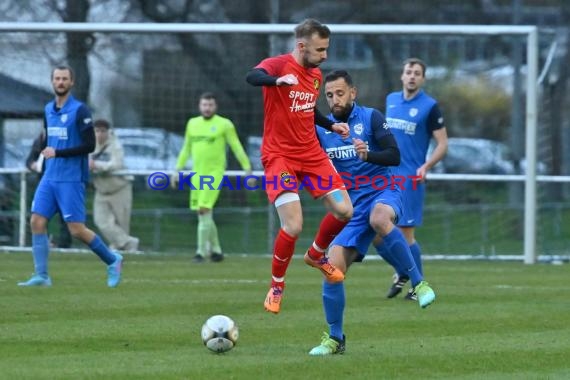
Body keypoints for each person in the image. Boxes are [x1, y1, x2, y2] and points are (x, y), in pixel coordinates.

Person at [309, 70, 436, 355]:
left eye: (340, 93)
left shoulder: (372, 118)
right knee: (332, 269)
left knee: (379, 218)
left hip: (384, 191)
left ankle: (419, 283)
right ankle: (335, 338)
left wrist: (369, 155)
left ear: (353, 93)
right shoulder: (321, 129)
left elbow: (395, 155)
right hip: (350, 208)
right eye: (329, 95)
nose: (335, 99)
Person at [246, 18, 354, 314]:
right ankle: (276, 286)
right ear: (302, 46)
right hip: (280, 156)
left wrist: (332, 126)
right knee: (293, 224)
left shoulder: (315, 75)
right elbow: (252, 76)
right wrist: (275, 81)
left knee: (345, 211)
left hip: (311, 154)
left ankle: (316, 255)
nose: (325, 55)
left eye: (326, 49)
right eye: (320, 50)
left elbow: (308, 111)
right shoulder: (278, 65)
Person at [18, 65, 123, 288]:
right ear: (52, 81)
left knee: (76, 229)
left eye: (65, 79)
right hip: (50, 177)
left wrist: (58, 152)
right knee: (36, 221)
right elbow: (47, 140)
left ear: (71, 82)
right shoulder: (48, 109)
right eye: (57, 78)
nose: (61, 82)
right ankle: (42, 276)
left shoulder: (80, 110)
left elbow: (89, 144)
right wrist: (38, 159)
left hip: (71, 179)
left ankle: (113, 260)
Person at [374, 57, 448, 300]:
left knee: (405, 235)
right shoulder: (391, 100)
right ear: (402, 76)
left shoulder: (429, 106)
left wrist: (426, 165)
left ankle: (418, 286)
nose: (412, 76)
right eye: (409, 71)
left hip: (409, 179)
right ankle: (402, 271)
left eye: (417, 72)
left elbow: (442, 144)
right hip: (386, 175)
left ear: (423, 78)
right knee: (374, 232)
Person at [174, 92, 252, 263]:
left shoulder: (224, 124)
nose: (207, 108)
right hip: (196, 175)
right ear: (199, 106)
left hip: (214, 174)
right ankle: (217, 251)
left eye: (210, 105)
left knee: (203, 209)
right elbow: (186, 148)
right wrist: (177, 170)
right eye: (204, 105)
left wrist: (247, 168)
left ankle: (201, 253)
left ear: (215, 107)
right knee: (203, 214)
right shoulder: (192, 124)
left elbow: (236, 146)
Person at [89, 118, 139, 252]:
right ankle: (129, 242)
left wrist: (97, 165)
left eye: (102, 131)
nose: (99, 134)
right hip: (101, 190)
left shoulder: (115, 145)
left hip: (119, 188)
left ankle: (119, 248)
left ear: (108, 132)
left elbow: (117, 164)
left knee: (121, 224)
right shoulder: (89, 145)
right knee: (101, 221)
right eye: (97, 131)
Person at [26, 131, 72, 249]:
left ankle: (64, 244)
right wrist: (33, 165)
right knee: (39, 216)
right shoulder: (40, 140)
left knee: (66, 217)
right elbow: (29, 160)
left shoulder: (64, 138)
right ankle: (42, 242)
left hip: (62, 183)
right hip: (44, 184)